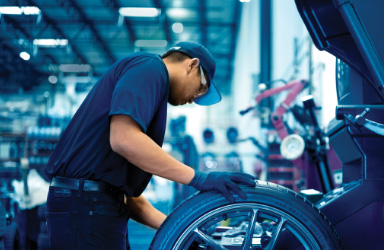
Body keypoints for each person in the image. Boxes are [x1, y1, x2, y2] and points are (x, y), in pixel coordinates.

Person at [44, 41, 256, 250]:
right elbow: (124, 139)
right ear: (191, 65)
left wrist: (185, 229)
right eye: (201, 89)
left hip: (94, 205)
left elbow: (131, 199)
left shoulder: (151, 87)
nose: (194, 99)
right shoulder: (149, 67)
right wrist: (199, 178)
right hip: (85, 207)